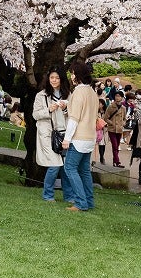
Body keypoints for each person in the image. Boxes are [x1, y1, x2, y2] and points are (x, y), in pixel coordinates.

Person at [60, 61, 98, 213]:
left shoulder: (78, 92)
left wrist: (66, 139)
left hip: (78, 137)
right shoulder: (92, 92)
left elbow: (74, 119)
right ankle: (88, 200)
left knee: (69, 168)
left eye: (72, 73)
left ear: (77, 75)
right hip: (90, 137)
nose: (71, 76)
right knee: (84, 171)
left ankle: (81, 202)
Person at [32, 68, 68, 202]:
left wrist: (65, 109)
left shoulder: (67, 95)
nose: (54, 80)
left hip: (64, 133)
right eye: (52, 77)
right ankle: (48, 195)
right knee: (54, 165)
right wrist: (48, 110)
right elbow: (35, 115)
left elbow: (72, 115)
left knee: (65, 166)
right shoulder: (41, 95)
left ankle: (68, 196)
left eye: (57, 78)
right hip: (47, 134)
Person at [102, 90, 127, 167]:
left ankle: (114, 161)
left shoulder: (123, 108)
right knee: (115, 146)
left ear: (122, 98)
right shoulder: (110, 106)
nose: (117, 97)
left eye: (119, 96)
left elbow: (124, 118)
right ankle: (117, 161)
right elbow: (105, 118)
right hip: (112, 129)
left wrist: (123, 123)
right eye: (116, 96)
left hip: (119, 129)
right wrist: (111, 123)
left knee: (117, 146)